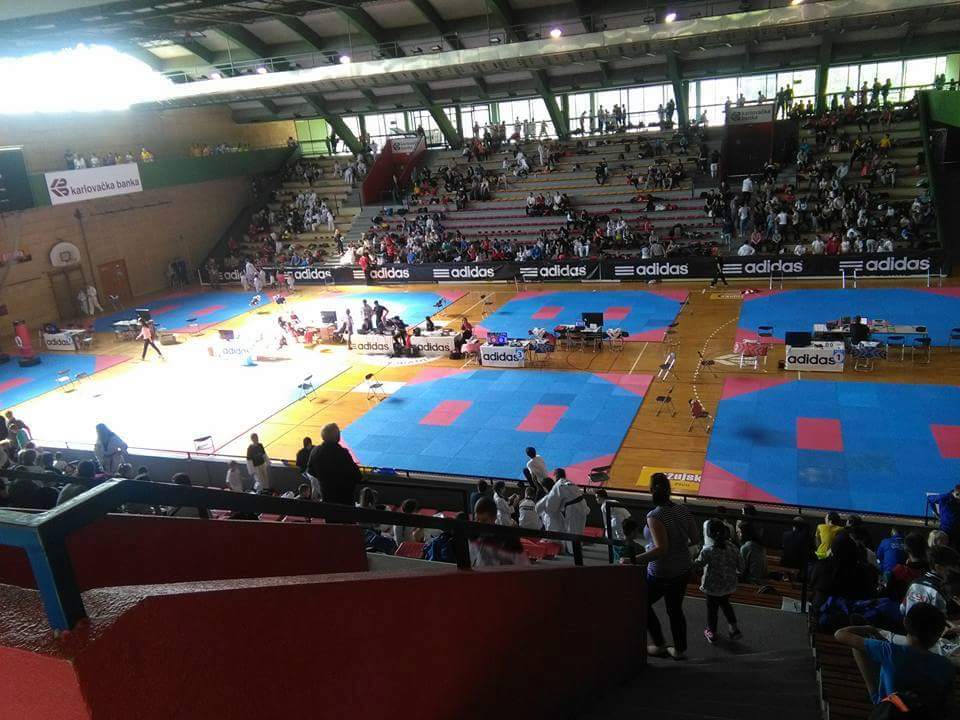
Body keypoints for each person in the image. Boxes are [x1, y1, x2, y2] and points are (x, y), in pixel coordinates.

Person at [834, 603, 956, 717]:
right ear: (938, 635)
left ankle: (876, 698)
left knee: (862, 645)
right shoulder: (946, 665)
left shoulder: (890, 651)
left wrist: (869, 628)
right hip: (924, 714)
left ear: (905, 622)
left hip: (889, 711)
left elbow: (840, 634)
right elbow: (947, 705)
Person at [632, 472, 699, 660]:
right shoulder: (683, 509)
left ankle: (660, 644)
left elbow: (661, 549)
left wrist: (634, 559)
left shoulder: (654, 516)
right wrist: (679, 546)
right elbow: (695, 539)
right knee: (675, 610)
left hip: (661, 572)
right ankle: (679, 650)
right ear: (669, 490)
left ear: (651, 490)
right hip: (683, 568)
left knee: (642, 602)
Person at [695, 519, 743, 644]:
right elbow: (741, 567)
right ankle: (734, 628)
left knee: (712, 610)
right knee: (725, 604)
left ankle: (711, 632)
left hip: (712, 587)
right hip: (728, 585)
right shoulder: (733, 548)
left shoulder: (707, 550)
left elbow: (698, 566)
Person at [306, 423, 360, 505]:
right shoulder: (342, 453)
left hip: (327, 497)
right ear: (337, 436)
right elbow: (357, 475)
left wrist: (323, 479)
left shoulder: (315, 451)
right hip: (345, 498)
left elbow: (310, 471)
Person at [470, 496, 529, 567]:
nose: (479, 524)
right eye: (477, 519)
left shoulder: (510, 543)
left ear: (494, 518)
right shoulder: (473, 539)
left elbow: (524, 567)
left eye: (484, 521)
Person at [902, 545, 960, 616]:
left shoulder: (914, 583)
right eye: (954, 566)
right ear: (939, 567)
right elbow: (947, 619)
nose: (957, 570)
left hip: (911, 622)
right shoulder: (944, 590)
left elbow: (902, 609)